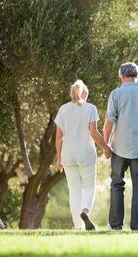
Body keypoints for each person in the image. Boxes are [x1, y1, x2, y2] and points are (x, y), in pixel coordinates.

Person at [104, 62, 138, 231]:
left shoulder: (116, 94)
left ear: (121, 76)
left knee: (116, 185)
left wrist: (106, 145)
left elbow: (109, 122)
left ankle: (115, 225)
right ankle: (137, 226)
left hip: (119, 148)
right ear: (137, 75)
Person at [55, 80, 112, 231]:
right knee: (89, 187)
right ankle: (85, 211)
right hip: (86, 154)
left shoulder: (63, 109)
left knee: (74, 190)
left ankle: (78, 227)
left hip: (68, 154)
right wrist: (106, 148)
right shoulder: (90, 108)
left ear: (71, 93)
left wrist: (59, 158)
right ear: (85, 94)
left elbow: (58, 137)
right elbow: (93, 133)